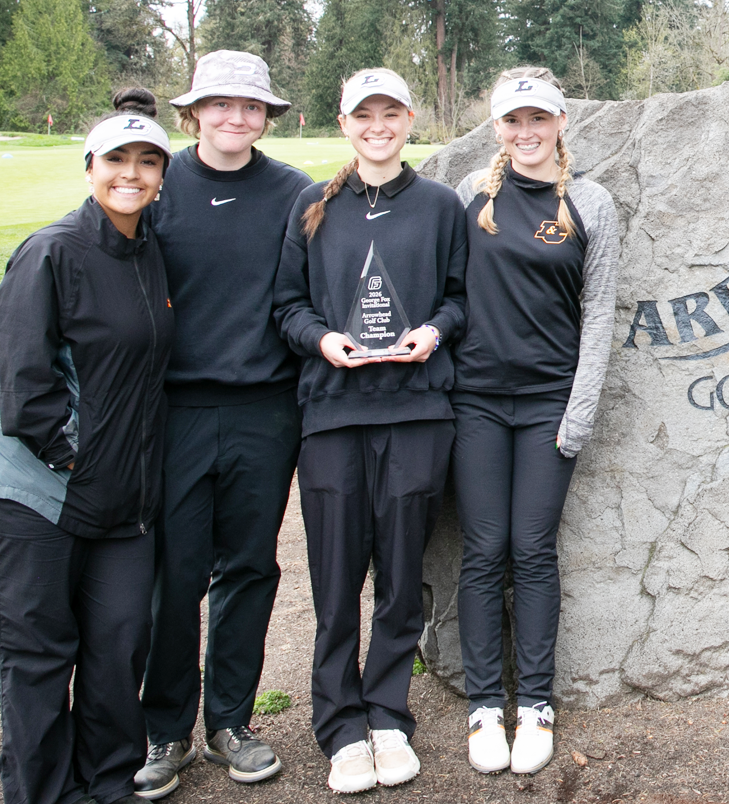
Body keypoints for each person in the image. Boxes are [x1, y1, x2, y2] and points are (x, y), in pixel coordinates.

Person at [272, 68, 467, 789]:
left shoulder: (441, 206)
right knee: (334, 579)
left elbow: (459, 298)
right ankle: (340, 726)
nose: (377, 126)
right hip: (333, 416)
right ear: (345, 122)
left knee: (398, 575)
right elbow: (286, 306)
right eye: (364, 115)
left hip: (417, 412)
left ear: (410, 120)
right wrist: (322, 340)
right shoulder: (311, 207)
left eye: (391, 113)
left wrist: (435, 333)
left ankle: (387, 713)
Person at [136, 50, 314, 799]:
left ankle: (229, 723)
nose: (235, 119)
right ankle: (166, 729)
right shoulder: (158, 186)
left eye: (250, 108)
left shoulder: (294, 194)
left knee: (247, 566)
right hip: (175, 410)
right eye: (221, 105)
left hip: (263, 410)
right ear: (195, 112)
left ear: (265, 116)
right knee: (172, 574)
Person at [0, 90, 174, 804]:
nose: (130, 173)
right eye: (116, 159)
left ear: (162, 174)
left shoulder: (150, 253)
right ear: (90, 167)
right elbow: (22, 385)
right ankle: (38, 791)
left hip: (125, 506)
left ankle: (106, 785)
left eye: (147, 161)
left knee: (116, 652)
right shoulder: (49, 252)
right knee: (40, 657)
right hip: (46, 497)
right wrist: (77, 459)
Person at [451, 67, 619, 773]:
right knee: (484, 549)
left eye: (539, 120)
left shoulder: (590, 203)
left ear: (560, 124)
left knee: (531, 548)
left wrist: (578, 412)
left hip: (550, 404)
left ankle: (537, 705)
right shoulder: (469, 197)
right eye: (513, 121)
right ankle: (486, 704)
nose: (526, 133)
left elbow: (600, 312)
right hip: (476, 403)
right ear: (498, 129)